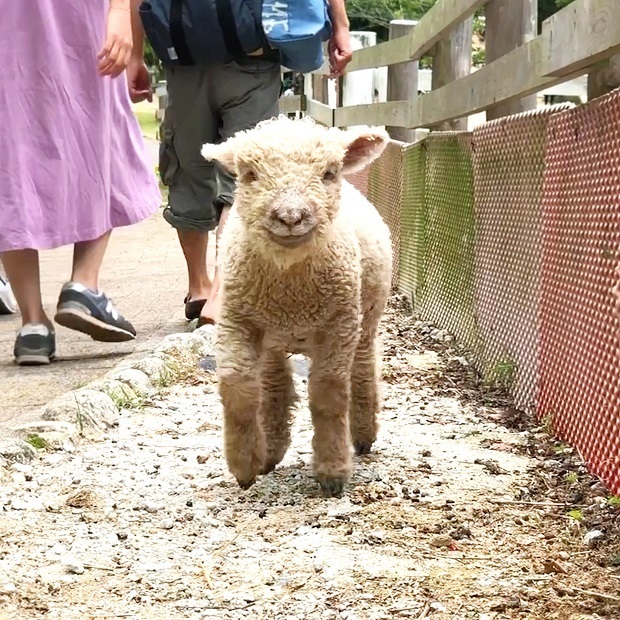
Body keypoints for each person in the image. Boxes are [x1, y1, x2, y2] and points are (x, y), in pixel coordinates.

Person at [127, 0, 353, 326]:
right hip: (247, 54)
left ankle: (208, 289)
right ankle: (213, 290)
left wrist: (136, 54)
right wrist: (340, 26)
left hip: (187, 55)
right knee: (244, 173)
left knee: (190, 171)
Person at [0, 0, 161, 366]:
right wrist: (120, 13)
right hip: (81, 15)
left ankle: (33, 325)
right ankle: (83, 284)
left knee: (10, 153)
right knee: (95, 133)